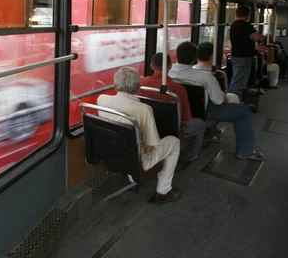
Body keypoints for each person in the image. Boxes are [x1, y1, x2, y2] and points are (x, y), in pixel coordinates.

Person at [97, 67, 182, 203]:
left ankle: (132, 177)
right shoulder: (144, 109)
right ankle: (163, 191)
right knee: (174, 142)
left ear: (115, 85)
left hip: (110, 152)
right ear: (138, 87)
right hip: (137, 160)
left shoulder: (101, 100)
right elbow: (149, 146)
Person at [170, 42, 265, 161]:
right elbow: (219, 100)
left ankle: (210, 134)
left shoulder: (169, 72)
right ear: (195, 57)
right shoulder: (205, 76)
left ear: (177, 55)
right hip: (202, 112)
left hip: (178, 111)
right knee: (244, 112)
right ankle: (245, 151)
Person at [139, 53, 206, 162]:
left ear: (151, 66)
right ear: (170, 66)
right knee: (200, 124)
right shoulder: (178, 89)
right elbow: (186, 118)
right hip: (170, 130)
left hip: (147, 128)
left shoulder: (141, 84)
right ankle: (189, 156)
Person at [229, 6, 263, 97]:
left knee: (236, 78)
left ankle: (235, 98)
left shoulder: (234, 25)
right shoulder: (246, 25)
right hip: (244, 56)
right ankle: (233, 100)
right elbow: (257, 37)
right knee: (239, 81)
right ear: (247, 15)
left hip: (235, 55)